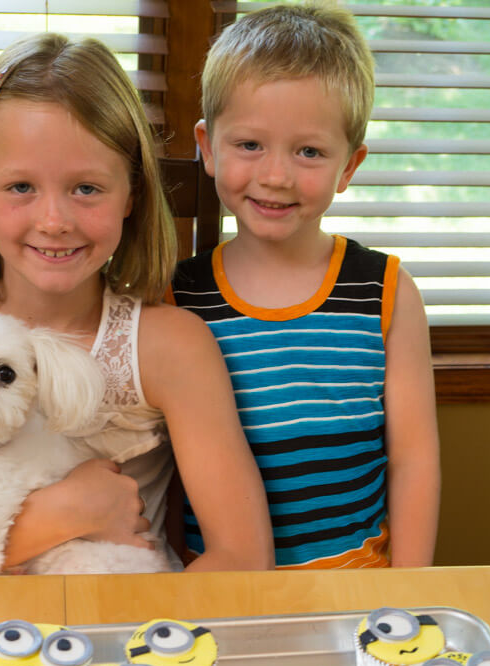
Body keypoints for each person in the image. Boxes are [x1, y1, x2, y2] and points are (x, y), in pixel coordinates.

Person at [0, 33, 274, 576]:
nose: (55, 220)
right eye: (20, 186)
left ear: (131, 193)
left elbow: (242, 557)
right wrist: (64, 513)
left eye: (86, 188)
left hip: (120, 631)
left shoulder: (169, 346)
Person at [168, 2, 440, 569]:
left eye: (309, 152)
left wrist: (410, 590)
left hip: (358, 590)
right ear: (208, 146)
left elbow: (413, 460)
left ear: (349, 166)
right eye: (249, 145)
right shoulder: (178, 298)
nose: (275, 175)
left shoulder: (385, 291)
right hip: (220, 591)